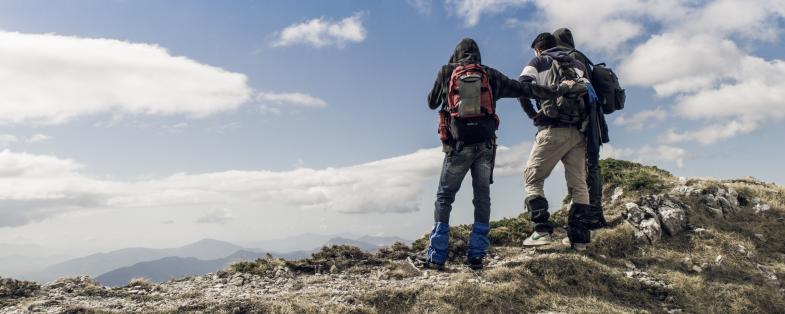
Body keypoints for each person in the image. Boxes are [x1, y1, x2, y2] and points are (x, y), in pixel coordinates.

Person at [420, 38, 554, 270]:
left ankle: (437, 255)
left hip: (457, 146)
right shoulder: (489, 74)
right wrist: (555, 91)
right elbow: (521, 88)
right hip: (485, 147)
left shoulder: (446, 71)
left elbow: (432, 103)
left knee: (444, 197)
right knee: (482, 198)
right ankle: (476, 255)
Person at [517, 33, 593, 250]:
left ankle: (541, 231)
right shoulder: (577, 64)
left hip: (552, 129)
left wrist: (533, 115)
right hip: (578, 132)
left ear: (538, 49)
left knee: (532, 178)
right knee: (579, 184)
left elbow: (522, 87)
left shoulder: (538, 61)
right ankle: (579, 239)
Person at [553, 28, 610, 230]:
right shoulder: (581, 56)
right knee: (590, 165)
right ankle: (593, 213)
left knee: (584, 166)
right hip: (593, 118)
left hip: (582, 121)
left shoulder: (568, 58)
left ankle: (588, 214)